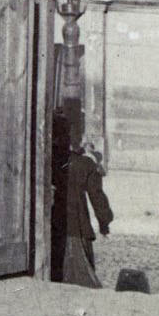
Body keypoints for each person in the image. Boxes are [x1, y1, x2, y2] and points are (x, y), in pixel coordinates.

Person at [51, 104, 114, 288]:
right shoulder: (84, 164)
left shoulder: (44, 163)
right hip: (76, 230)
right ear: (71, 136)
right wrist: (104, 222)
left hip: (51, 230)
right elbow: (97, 197)